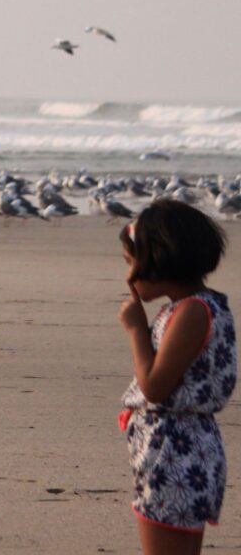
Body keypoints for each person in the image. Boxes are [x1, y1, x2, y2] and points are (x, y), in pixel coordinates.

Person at [118, 199, 236, 555]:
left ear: (157, 262)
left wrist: (136, 330)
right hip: (184, 448)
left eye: (130, 262)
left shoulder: (191, 312)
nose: (128, 276)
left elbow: (155, 387)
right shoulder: (198, 306)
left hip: (175, 454)